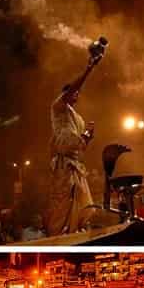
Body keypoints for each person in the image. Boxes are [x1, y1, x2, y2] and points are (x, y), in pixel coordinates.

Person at [45, 54, 103, 236]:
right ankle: (59, 234)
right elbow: (73, 88)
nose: (77, 93)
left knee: (79, 200)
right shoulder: (58, 107)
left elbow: (80, 146)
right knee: (63, 200)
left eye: (77, 92)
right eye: (73, 91)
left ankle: (76, 231)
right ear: (66, 94)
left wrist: (88, 137)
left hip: (75, 164)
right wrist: (89, 68)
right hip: (63, 163)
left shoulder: (78, 119)